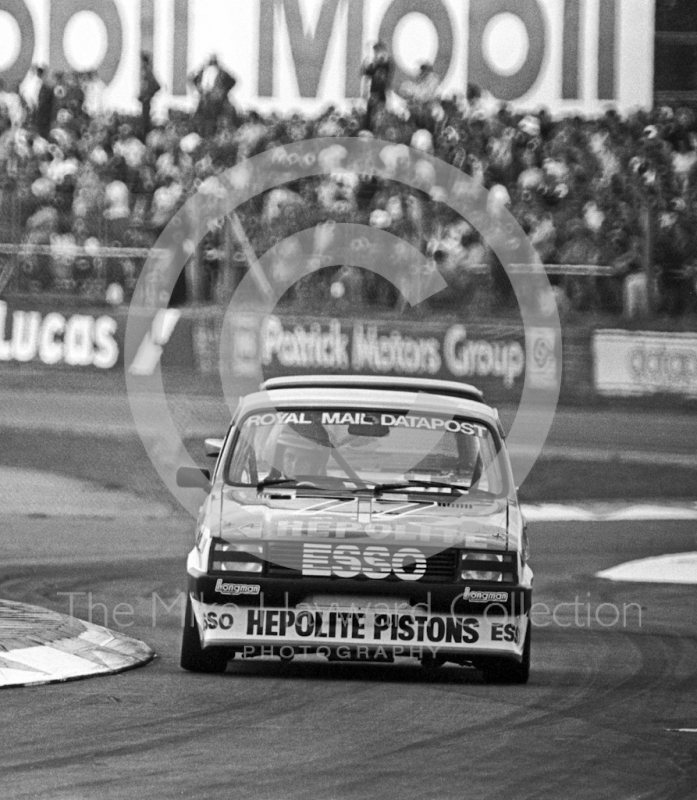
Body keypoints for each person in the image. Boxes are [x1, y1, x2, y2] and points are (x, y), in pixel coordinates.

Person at [190, 55, 237, 136]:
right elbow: (194, 79)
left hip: (217, 99)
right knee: (200, 117)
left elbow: (232, 81)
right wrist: (200, 89)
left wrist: (224, 90)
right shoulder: (203, 72)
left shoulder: (221, 73)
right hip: (206, 98)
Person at [362, 41, 394, 131]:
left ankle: (376, 130)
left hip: (380, 93)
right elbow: (366, 73)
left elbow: (386, 67)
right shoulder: (375, 64)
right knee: (370, 115)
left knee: (379, 114)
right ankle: (369, 130)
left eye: (377, 51)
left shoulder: (385, 64)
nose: (376, 54)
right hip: (374, 92)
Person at [139, 52, 161, 139]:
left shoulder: (148, 71)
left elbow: (157, 86)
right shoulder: (145, 71)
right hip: (144, 100)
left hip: (147, 101)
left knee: (146, 121)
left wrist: (148, 95)